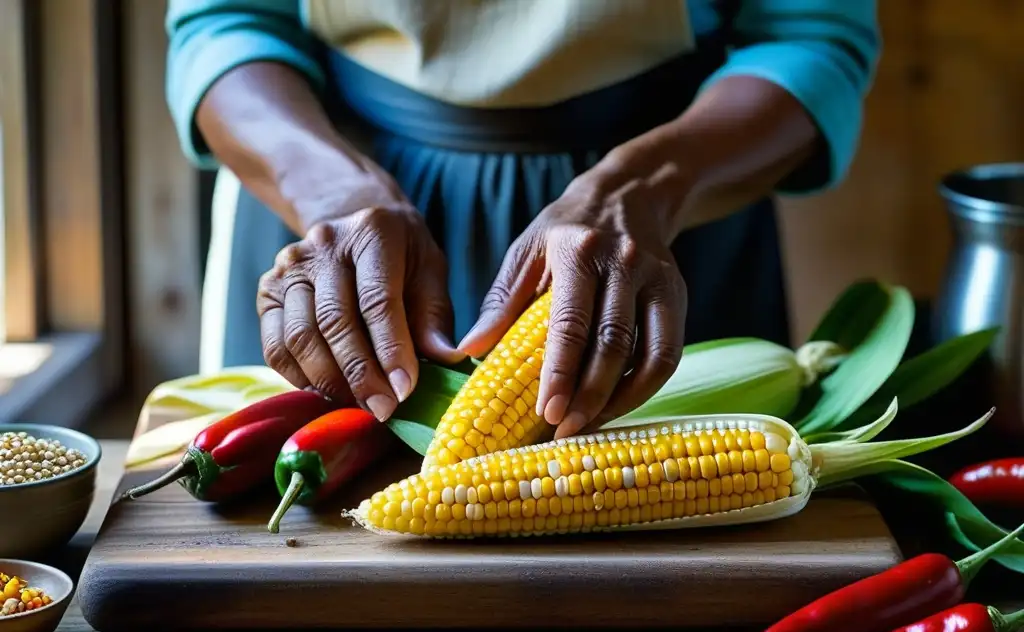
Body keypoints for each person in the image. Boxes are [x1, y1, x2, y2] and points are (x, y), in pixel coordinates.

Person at [166, 0, 879, 439]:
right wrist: (331, 195)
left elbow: (811, 36)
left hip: (658, 227)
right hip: (334, 212)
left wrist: (650, 187)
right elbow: (226, 22)